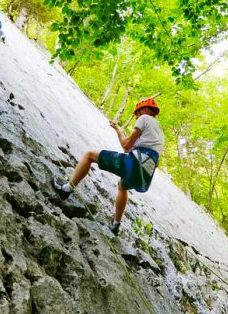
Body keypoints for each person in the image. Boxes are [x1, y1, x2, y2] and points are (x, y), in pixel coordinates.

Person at [51, 98, 165, 236]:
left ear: (145, 110)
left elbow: (126, 146)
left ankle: (66, 189)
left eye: (137, 113)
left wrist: (119, 130)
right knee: (122, 186)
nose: (136, 117)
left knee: (89, 155)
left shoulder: (145, 118)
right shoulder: (159, 132)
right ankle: (116, 225)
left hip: (135, 164)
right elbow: (136, 149)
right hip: (145, 175)